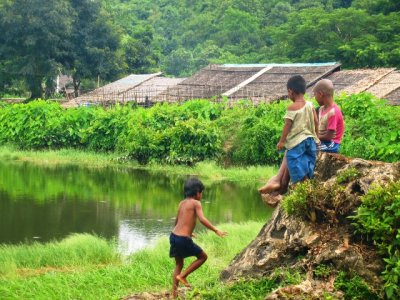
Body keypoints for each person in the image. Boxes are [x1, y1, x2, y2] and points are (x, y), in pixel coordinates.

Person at [259, 75, 319, 194]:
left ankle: (300, 188)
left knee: (294, 162)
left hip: (297, 143)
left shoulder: (292, 107)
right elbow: (316, 122)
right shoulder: (310, 105)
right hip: (310, 141)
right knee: (307, 162)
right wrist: (316, 137)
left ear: (291, 92)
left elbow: (287, 126)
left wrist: (281, 141)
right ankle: (305, 183)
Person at [170, 177, 227, 298]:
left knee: (179, 264)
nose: (201, 195)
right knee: (202, 257)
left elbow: (178, 221)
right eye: (201, 192)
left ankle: (173, 294)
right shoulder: (196, 203)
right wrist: (216, 230)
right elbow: (202, 219)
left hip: (173, 236)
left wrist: (189, 233)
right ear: (197, 193)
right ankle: (183, 276)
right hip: (183, 239)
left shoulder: (182, 203)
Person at [313, 79, 344, 153]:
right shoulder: (322, 109)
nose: (315, 97)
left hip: (331, 144)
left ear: (320, 94)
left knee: (308, 148)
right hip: (323, 142)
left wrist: (314, 137)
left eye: (315, 95)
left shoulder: (333, 112)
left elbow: (328, 137)